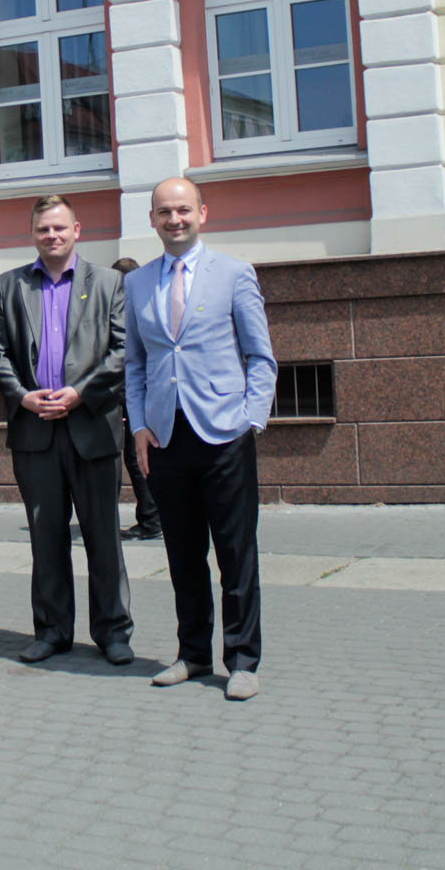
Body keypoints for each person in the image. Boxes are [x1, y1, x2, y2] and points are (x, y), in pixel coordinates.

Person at [124, 177, 277, 702]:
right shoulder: (137, 283)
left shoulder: (233, 273)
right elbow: (136, 363)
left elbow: (260, 357)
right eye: (165, 212)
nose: (175, 220)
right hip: (166, 436)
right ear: (152, 219)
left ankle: (243, 660)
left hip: (224, 432)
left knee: (235, 553)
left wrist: (250, 419)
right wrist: (139, 424)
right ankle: (192, 654)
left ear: (202, 213)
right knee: (183, 554)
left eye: (183, 210)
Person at [0, 196, 133, 666]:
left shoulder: (108, 282)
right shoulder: (10, 285)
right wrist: (21, 397)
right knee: (45, 537)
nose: (51, 236)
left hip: (92, 429)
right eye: (43, 229)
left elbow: (122, 350)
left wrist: (80, 394)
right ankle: (52, 630)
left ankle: (113, 631)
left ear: (77, 230)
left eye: (59, 228)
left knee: (103, 538)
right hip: (35, 432)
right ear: (32, 234)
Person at [111, 256, 161, 542]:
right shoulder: (146, 304)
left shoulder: (125, 311)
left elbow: (126, 361)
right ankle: (154, 517)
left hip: (132, 398)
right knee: (140, 458)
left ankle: (152, 519)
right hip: (145, 396)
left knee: (135, 459)